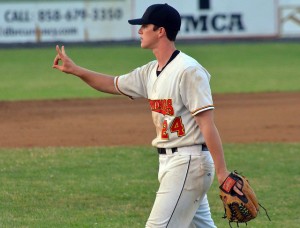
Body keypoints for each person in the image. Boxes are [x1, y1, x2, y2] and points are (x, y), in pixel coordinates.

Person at [53, 3, 239, 228]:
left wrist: (222, 172)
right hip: (172, 162)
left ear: (161, 31)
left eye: (144, 26)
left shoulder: (189, 70)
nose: (139, 31)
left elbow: (207, 124)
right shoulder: (150, 71)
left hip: (189, 163)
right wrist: (77, 70)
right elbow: (112, 84)